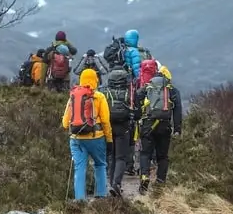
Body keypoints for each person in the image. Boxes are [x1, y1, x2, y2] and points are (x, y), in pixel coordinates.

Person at [62, 68, 112, 200]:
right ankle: (100, 195)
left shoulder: (73, 96)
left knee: (79, 168)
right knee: (100, 164)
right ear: (95, 80)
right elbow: (106, 121)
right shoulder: (99, 96)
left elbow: (65, 123)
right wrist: (109, 139)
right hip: (96, 137)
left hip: (76, 138)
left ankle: (80, 199)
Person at [135, 67, 183, 195]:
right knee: (162, 156)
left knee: (145, 153)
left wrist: (138, 116)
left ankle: (144, 176)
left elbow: (136, 99)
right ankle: (160, 183)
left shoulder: (147, 87)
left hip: (148, 125)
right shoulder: (172, 89)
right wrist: (177, 129)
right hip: (164, 125)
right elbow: (177, 110)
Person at [100, 68, 135, 197]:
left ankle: (111, 184)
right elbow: (136, 113)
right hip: (124, 127)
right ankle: (117, 184)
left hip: (108, 127)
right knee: (121, 157)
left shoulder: (104, 92)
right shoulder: (129, 93)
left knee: (111, 156)